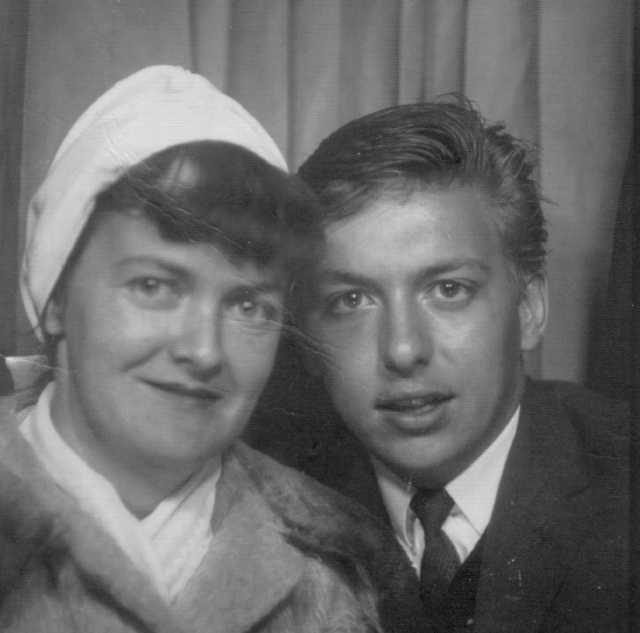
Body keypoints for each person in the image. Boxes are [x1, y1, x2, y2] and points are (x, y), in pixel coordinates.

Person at [0, 66, 429, 633]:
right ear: (56, 298)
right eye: (154, 286)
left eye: (249, 305)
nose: (204, 351)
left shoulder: (350, 558)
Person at [255, 99, 630, 632]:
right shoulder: (259, 505)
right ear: (307, 336)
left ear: (528, 309)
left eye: (448, 290)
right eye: (352, 301)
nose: (403, 349)